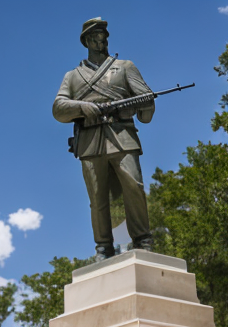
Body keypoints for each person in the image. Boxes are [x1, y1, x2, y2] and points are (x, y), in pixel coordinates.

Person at [53, 17, 154, 260]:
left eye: (104, 36)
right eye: (96, 37)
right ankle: (103, 248)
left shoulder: (125, 66)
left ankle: (142, 240)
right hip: (90, 142)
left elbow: (146, 107)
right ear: (86, 40)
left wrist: (142, 105)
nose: (101, 41)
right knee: (97, 198)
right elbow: (58, 108)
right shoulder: (73, 76)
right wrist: (82, 107)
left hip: (122, 137)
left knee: (134, 187)